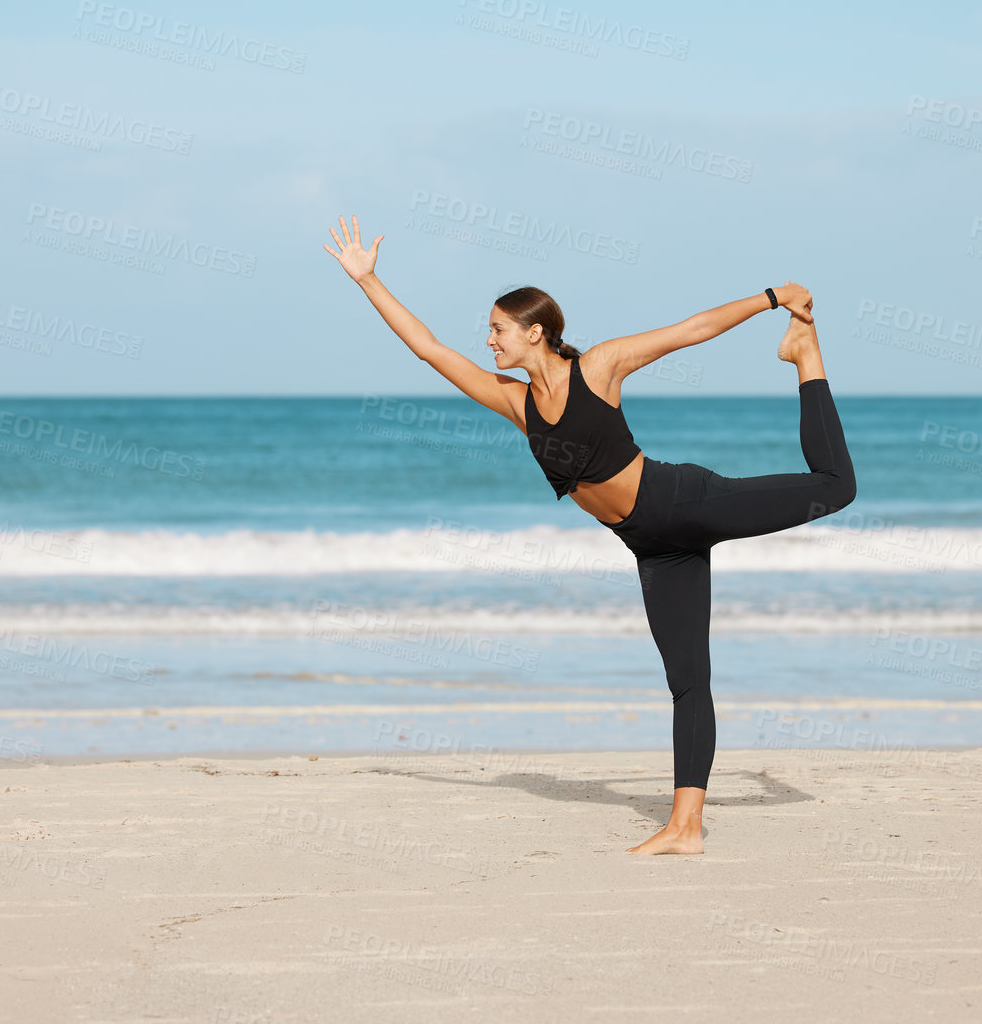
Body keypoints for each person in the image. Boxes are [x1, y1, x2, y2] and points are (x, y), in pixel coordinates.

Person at [323, 215, 856, 855]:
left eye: (497, 330)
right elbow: (431, 350)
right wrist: (369, 280)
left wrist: (774, 298)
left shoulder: (599, 368)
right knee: (688, 680)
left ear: (534, 332)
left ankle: (807, 356)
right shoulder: (516, 404)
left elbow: (692, 330)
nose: (489, 341)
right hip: (652, 545)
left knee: (835, 485)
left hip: (688, 502)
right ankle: (685, 828)